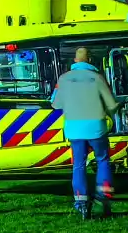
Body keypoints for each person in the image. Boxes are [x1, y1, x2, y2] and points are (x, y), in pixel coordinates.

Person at [51, 47, 121, 219]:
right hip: (96, 127)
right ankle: (103, 195)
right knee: (103, 160)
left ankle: (81, 202)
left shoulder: (64, 79)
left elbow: (55, 104)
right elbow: (112, 104)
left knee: (79, 165)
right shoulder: (97, 78)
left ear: (75, 61)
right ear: (89, 60)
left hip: (74, 129)